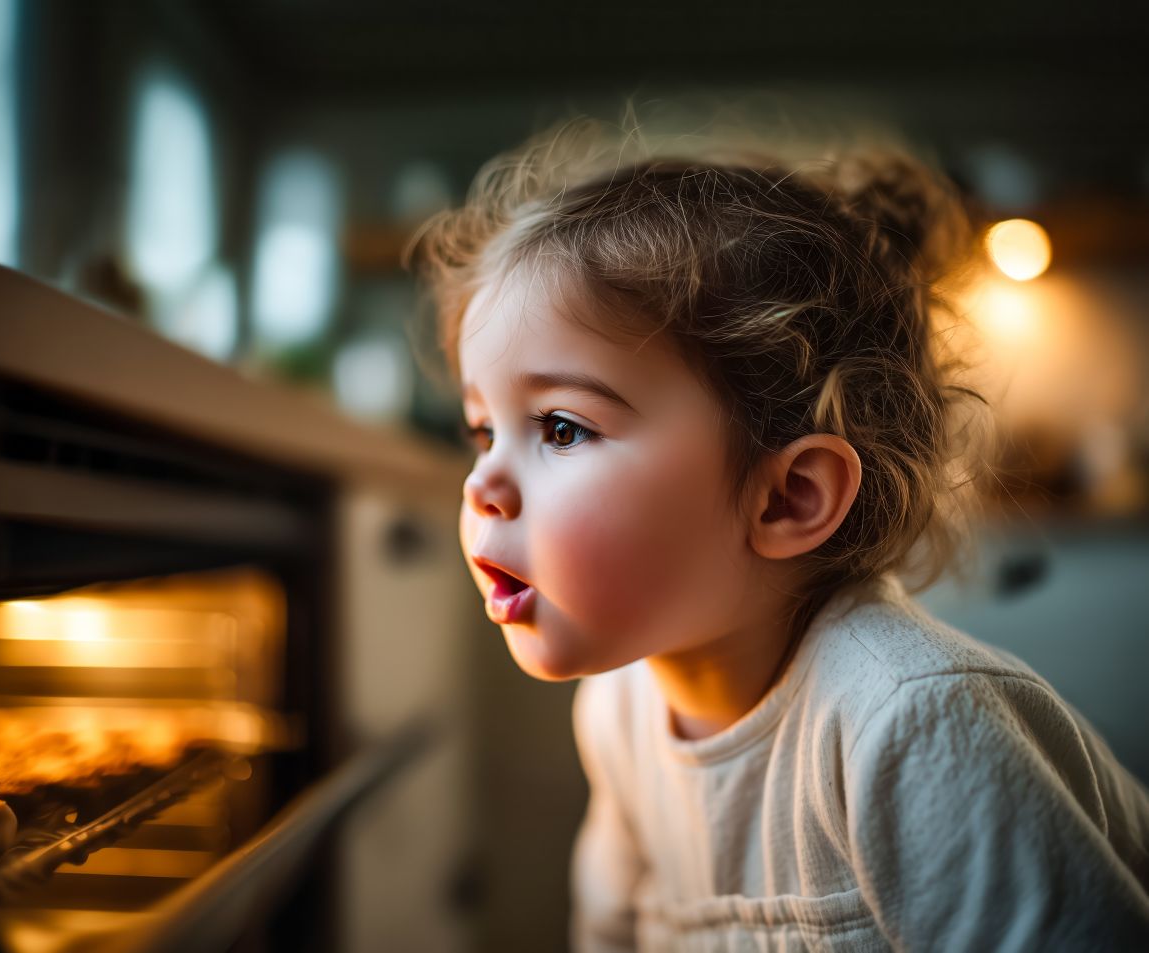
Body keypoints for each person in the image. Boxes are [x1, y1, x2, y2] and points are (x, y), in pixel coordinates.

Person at [407, 114, 1149, 950]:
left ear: (788, 497)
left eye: (562, 427)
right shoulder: (618, 709)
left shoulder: (911, 724)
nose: (483, 484)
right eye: (482, 430)